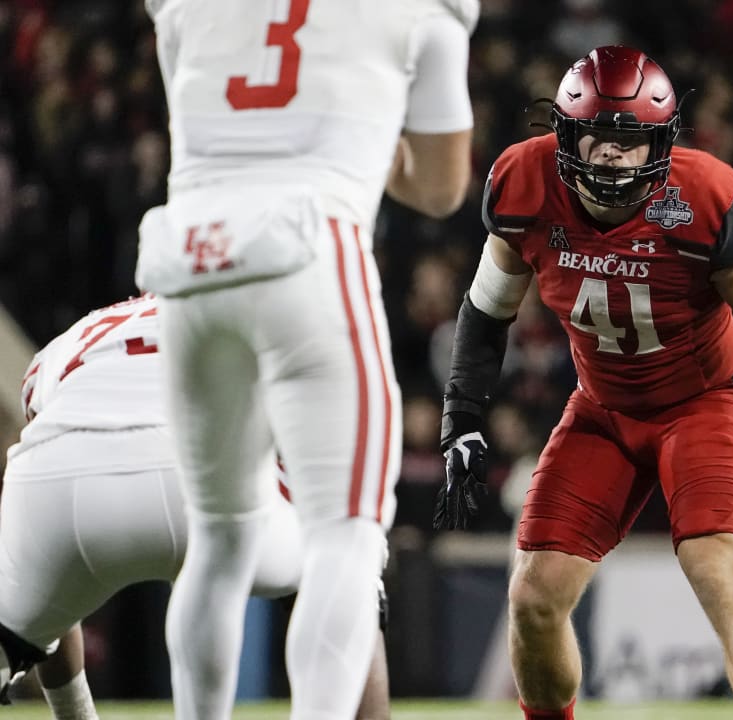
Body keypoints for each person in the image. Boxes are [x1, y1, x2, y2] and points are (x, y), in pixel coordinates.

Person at [432, 45, 733, 718]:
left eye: (631, 138)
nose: (614, 154)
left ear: (660, 142)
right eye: (599, 134)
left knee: (718, 568)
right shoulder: (525, 182)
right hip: (604, 406)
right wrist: (463, 417)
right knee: (534, 596)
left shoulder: (705, 195)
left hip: (701, 401)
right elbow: (485, 310)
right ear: (565, 134)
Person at [133, 0, 476, 717]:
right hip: (310, 250)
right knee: (346, 536)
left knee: (220, 540)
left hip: (189, 257)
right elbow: (442, 187)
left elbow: (205, 119)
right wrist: (358, 130)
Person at [0, 295, 392, 720]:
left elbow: (41, 452)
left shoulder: (76, 335)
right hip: (203, 479)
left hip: (64, 485)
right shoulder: (270, 310)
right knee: (349, 564)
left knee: (35, 597)